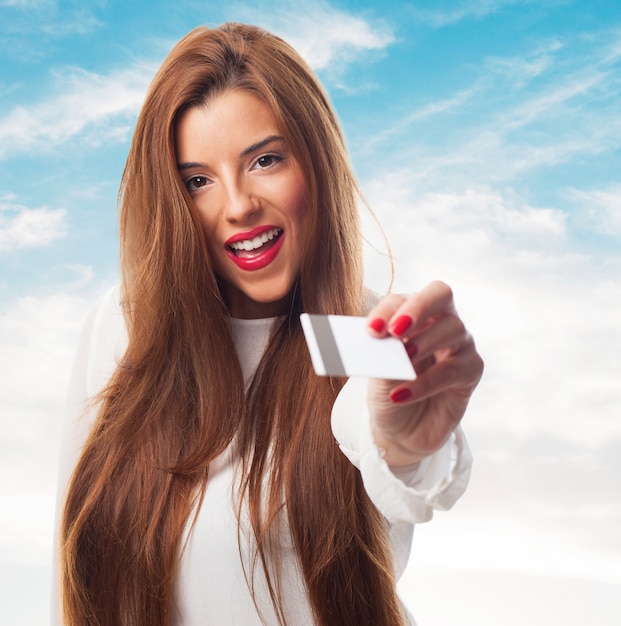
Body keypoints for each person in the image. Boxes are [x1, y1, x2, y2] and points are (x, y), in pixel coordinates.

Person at [53, 22, 484, 626]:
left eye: (265, 160)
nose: (236, 206)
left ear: (318, 163)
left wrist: (405, 444)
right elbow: (70, 564)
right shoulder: (124, 325)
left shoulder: (365, 331)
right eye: (197, 180)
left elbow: (408, 470)